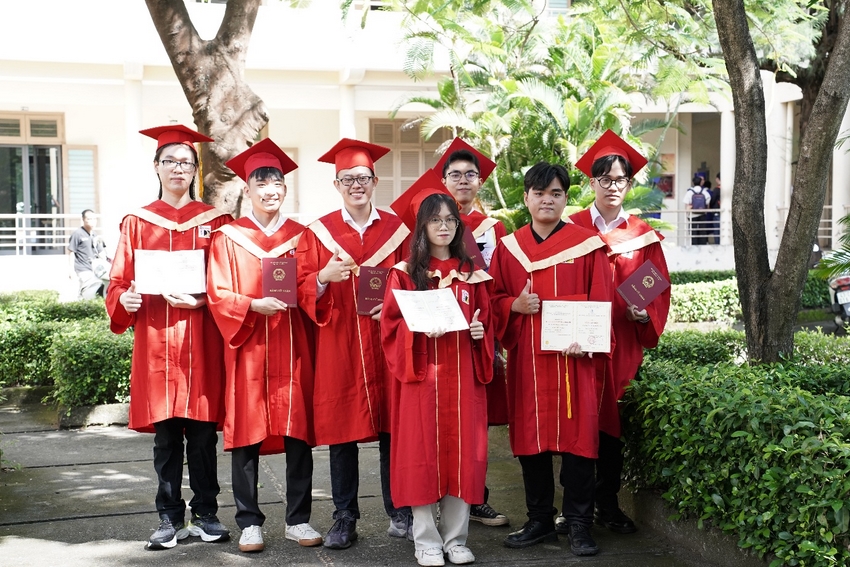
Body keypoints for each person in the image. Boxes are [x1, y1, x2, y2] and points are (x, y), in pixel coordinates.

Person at [105, 125, 231, 551]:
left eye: (186, 162)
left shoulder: (216, 222)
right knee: (165, 438)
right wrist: (129, 298)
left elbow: (228, 282)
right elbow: (118, 283)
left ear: (195, 169)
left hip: (200, 341)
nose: (178, 168)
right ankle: (167, 517)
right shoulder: (137, 222)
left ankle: (207, 514)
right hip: (158, 343)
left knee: (202, 436)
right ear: (156, 167)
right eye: (170, 161)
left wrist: (203, 301)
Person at [489, 161, 613, 557]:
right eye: (540, 193)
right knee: (531, 442)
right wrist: (514, 305)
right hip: (527, 361)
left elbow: (602, 301)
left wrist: (589, 338)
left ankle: (579, 523)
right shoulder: (509, 249)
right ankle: (540, 519)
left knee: (579, 444)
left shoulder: (588, 244)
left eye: (556, 193)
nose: (548, 200)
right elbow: (491, 302)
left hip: (574, 363)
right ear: (526, 197)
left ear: (565, 199)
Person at [295, 138, 412, 549]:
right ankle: (345, 515)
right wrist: (324, 278)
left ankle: (400, 509)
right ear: (337, 184)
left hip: (387, 338)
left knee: (393, 427)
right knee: (342, 431)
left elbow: (415, 279)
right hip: (339, 339)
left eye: (363, 178)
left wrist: (397, 307)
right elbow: (299, 285)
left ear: (374, 180)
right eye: (348, 179)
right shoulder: (318, 233)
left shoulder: (397, 231)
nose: (356, 185)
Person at [206, 139, 322, 553]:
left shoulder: (301, 236)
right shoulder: (229, 238)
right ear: (247, 189)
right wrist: (252, 303)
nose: (270, 190)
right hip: (249, 348)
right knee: (245, 435)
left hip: (292, 347)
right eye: (262, 183)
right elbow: (218, 292)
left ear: (285, 189)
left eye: (277, 183)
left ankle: (299, 519)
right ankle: (249, 522)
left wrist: (322, 281)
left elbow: (309, 285)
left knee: (298, 435)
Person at [382, 171, 493, 566]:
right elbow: (391, 329)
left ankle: (456, 538)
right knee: (422, 456)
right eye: (435, 220)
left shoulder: (473, 276)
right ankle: (426, 539)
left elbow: (487, 322)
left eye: (450, 220)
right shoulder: (404, 276)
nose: (443, 227)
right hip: (422, 380)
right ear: (422, 227)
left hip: (463, 380)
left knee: (463, 456)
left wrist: (481, 331)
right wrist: (416, 331)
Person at [568, 129, 671, 536]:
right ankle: (573, 507)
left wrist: (643, 315)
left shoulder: (643, 236)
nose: (613, 186)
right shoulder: (571, 228)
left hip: (622, 343)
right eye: (604, 179)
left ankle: (607, 503)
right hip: (578, 342)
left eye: (620, 179)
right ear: (591, 182)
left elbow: (657, 285)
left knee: (612, 424)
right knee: (576, 422)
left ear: (630, 184)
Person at [434, 138, 509, 527]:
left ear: (480, 182)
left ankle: (476, 497)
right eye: (455, 174)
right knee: (433, 422)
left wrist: (491, 328)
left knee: (475, 423)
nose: (463, 181)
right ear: (443, 180)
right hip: (435, 341)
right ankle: (430, 499)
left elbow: (499, 282)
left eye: (470, 175)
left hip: (479, 333)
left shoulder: (492, 229)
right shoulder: (428, 226)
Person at [67, 209, 109, 299]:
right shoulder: (77, 234)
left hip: (95, 269)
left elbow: (101, 253)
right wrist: (71, 270)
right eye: (89, 219)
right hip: (82, 269)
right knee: (88, 290)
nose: (92, 221)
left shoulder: (95, 235)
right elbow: (71, 252)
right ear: (83, 219)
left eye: (94, 219)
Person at [683, 175, 712, 245]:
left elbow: (686, 203)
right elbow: (708, 200)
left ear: (693, 183)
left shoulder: (690, 192)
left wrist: (687, 213)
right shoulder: (704, 191)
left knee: (693, 230)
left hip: (693, 214)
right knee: (703, 230)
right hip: (702, 213)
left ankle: (694, 244)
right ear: (700, 182)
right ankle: (703, 244)